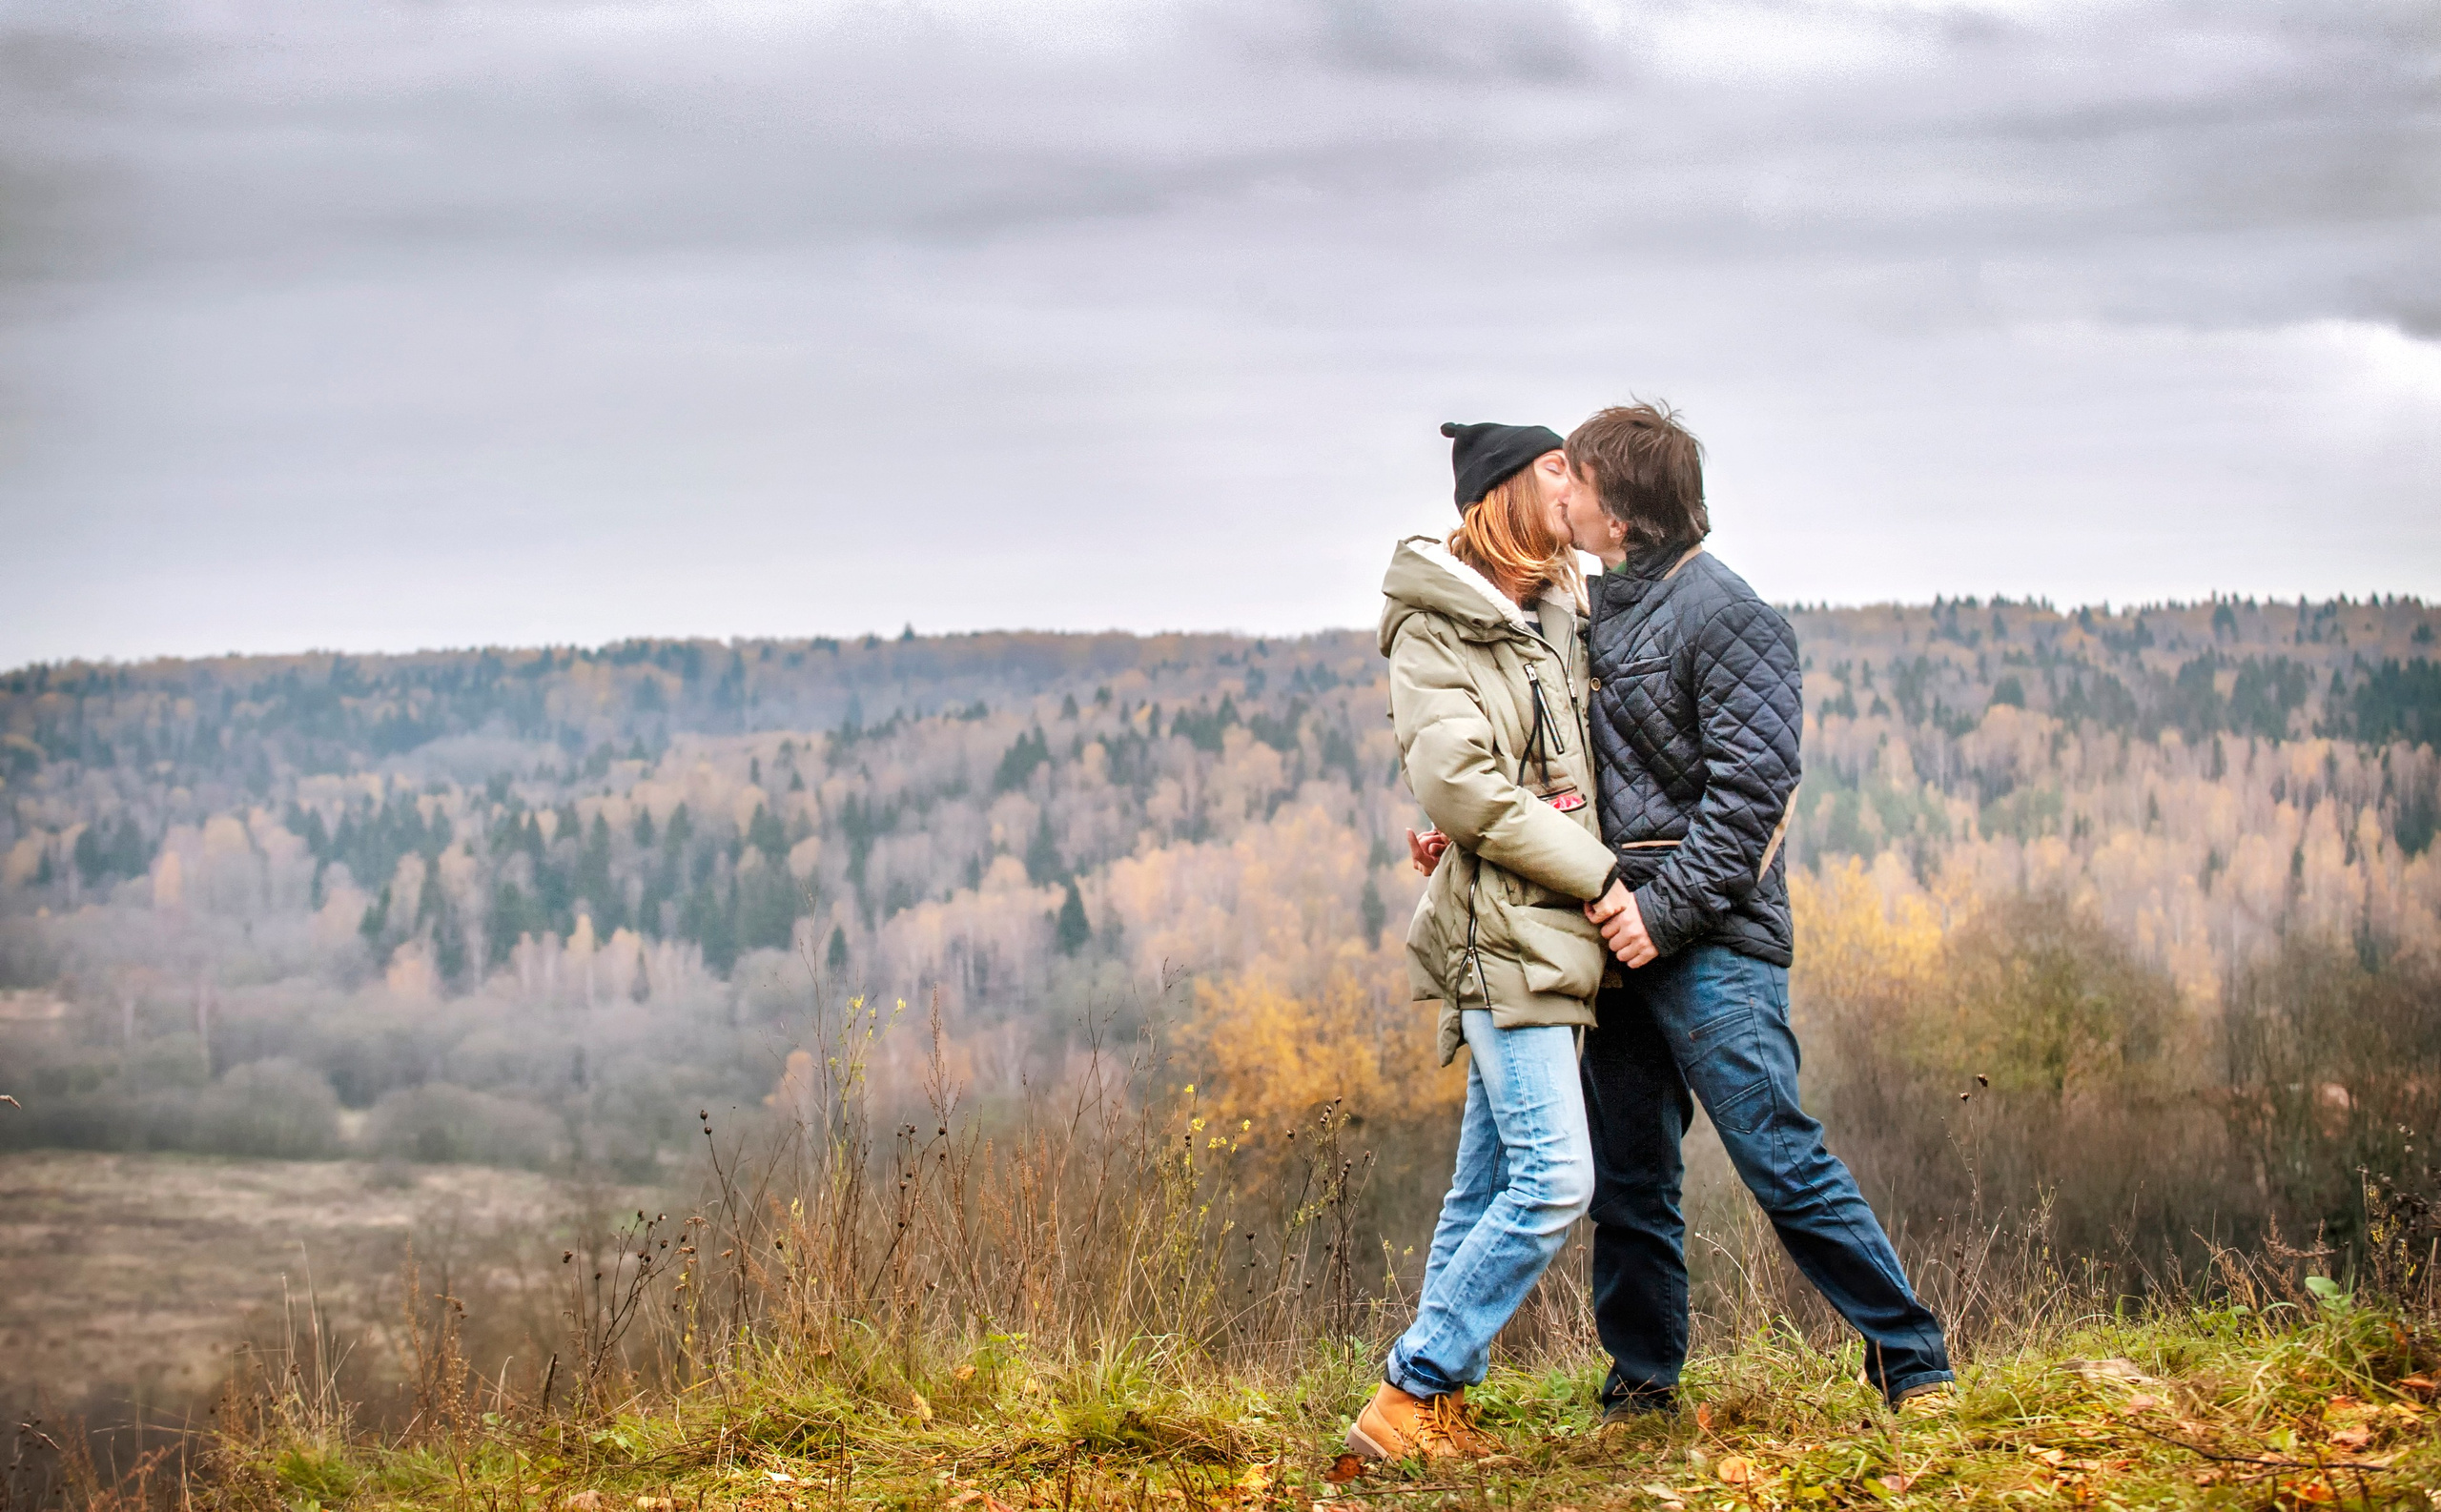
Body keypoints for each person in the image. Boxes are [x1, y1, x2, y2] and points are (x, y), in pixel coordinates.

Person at [1563, 402, 1956, 1420]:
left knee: (1777, 1152)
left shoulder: (1727, 612)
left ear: (1626, 508)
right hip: (1609, 935)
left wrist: (1665, 912)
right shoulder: (1588, 614)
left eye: (1579, 477)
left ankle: (1913, 1360)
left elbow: (1755, 794)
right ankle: (1640, 1388)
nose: (1562, 490)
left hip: (1711, 941)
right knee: (1630, 1180)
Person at [1353, 421, 1640, 1461]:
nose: (1575, 481)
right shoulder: (1438, 629)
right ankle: (1409, 1385)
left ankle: (1434, 1406)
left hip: (1545, 932)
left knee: (1482, 1184)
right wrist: (1596, 867)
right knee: (1556, 1180)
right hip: (1502, 936)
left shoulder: (1552, 612)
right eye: (1556, 467)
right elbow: (1464, 785)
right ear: (1510, 493)